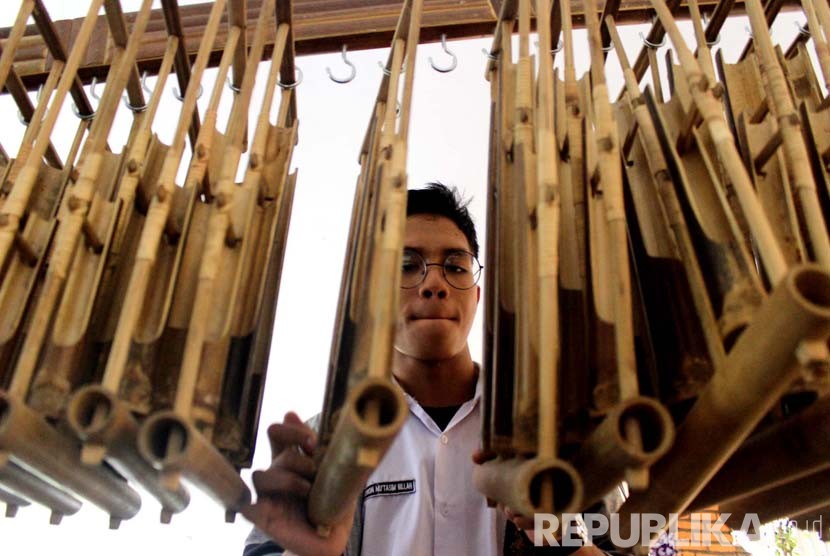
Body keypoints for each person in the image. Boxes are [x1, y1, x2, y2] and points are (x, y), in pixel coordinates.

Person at [242, 183, 616, 556]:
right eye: (407, 265)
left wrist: (564, 539)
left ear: (476, 293)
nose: (435, 284)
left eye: (455, 266)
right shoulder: (320, 446)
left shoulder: (557, 437)